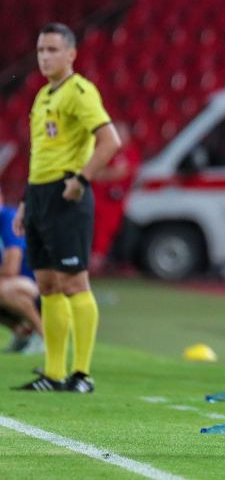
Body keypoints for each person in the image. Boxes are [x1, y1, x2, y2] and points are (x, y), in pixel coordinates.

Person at [12, 23, 121, 392]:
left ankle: (82, 374)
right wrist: (26, 203)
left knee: (74, 282)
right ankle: (54, 373)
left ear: (71, 54)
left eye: (53, 50)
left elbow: (110, 140)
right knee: (46, 284)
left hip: (66, 196)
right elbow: (40, 155)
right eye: (41, 51)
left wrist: (82, 179)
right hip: (39, 196)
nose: (45, 57)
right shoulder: (43, 96)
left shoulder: (80, 92)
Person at [90, 122, 142, 273]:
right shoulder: (101, 149)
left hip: (112, 201)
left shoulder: (130, 152)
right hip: (94, 197)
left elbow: (120, 173)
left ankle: (97, 263)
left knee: (105, 231)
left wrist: (99, 175)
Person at [0, 185, 43, 354]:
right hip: (16, 284)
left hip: (39, 286)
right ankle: (22, 333)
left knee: (2, 289)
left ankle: (43, 335)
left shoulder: (8, 219)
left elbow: (11, 269)